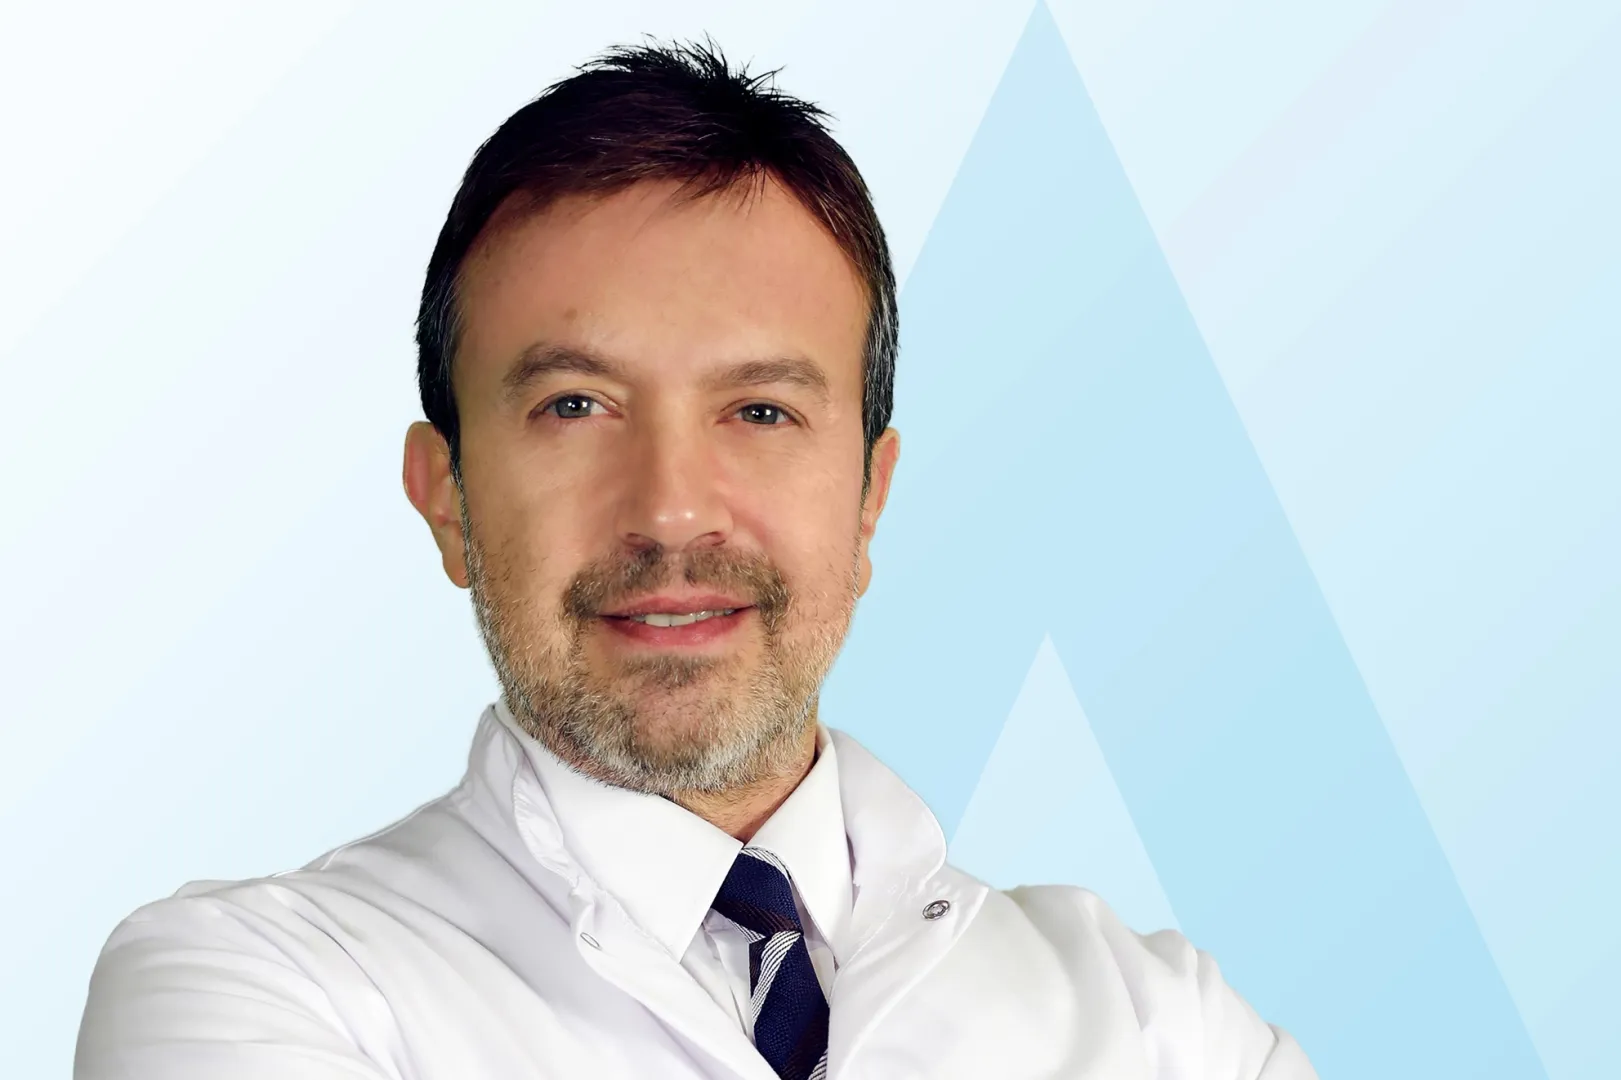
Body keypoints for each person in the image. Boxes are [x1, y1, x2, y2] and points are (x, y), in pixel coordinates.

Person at [74, 40, 1317, 1080]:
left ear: (869, 498)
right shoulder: (251, 988)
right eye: (574, 406)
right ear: (446, 497)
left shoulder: (1158, 1021)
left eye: (761, 411)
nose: (670, 513)